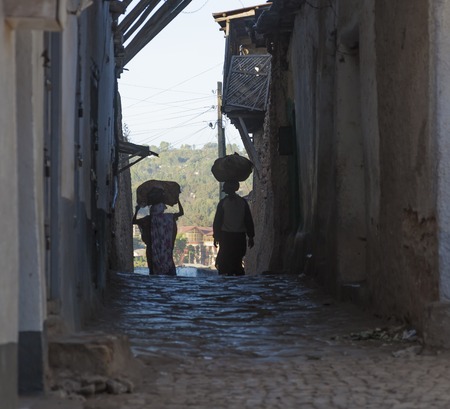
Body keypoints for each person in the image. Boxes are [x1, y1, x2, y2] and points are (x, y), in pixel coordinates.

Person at [133, 188, 184, 275]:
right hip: (166, 251)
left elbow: (134, 221)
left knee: (152, 271)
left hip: (151, 250)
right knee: (169, 270)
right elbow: (181, 212)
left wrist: (137, 210)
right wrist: (178, 200)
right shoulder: (168, 218)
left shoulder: (148, 219)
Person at [213, 181, 255, 276]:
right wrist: (251, 236)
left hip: (226, 236)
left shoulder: (223, 203)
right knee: (237, 259)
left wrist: (216, 236)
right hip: (239, 236)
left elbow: (218, 221)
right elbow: (248, 220)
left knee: (225, 259)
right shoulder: (242, 202)